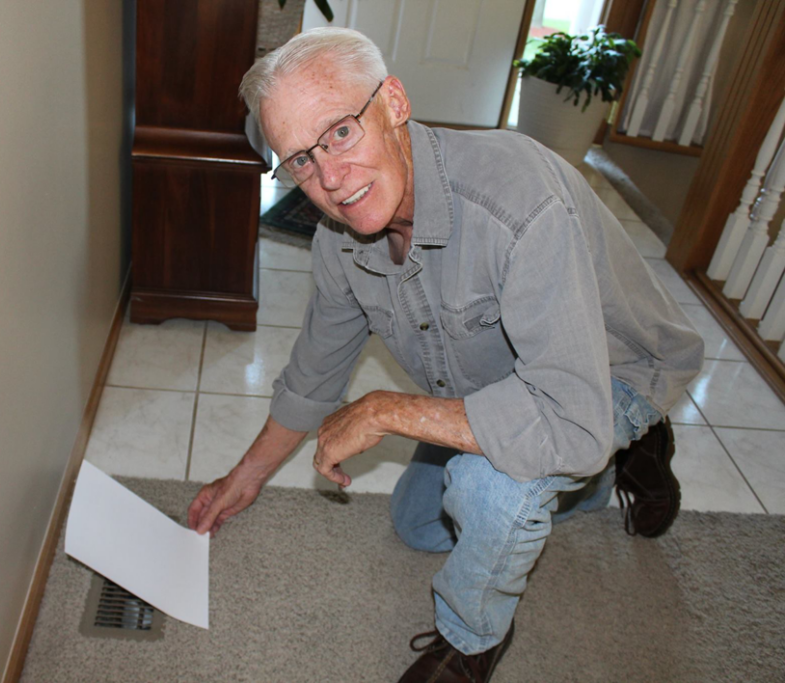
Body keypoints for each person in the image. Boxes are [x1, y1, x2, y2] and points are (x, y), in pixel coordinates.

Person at [187, 27, 704, 683]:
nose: (329, 178)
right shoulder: (339, 240)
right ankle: (606, 469)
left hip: (607, 373)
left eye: (340, 132)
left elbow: (565, 417)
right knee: (417, 522)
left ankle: (471, 641)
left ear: (394, 102)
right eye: (300, 161)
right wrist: (245, 476)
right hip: (500, 387)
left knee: (492, 490)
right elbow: (315, 370)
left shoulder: (518, 202)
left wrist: (384, 410)